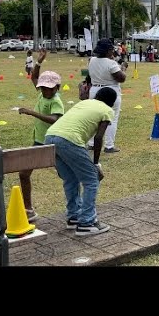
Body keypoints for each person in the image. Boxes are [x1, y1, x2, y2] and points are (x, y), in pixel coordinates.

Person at [45, 87, 117, 236]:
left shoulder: (83, 103)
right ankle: (87, 222)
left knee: (70, 179)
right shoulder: (107, 110)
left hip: (50, 136)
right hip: (69, 140)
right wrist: (95, 164)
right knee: (91, 179)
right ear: (112, 103)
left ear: (96, 95)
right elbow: (98, 138)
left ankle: (74, 217)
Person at [17, 49, 64, 222]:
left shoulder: (55, 101)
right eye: (42, 87)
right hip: (39, 142)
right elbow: (34, 78)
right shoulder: (43, 94)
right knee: (23, 174)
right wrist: (39, 62)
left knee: (67, 175)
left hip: (53, 143)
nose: (44, 90)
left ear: (56, 88)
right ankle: (28, 209)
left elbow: (55, 119)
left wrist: (32, 113)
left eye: (48, 88)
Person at [87, 39, 127, 153]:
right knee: (111, 119)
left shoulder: (92, 60)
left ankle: (91, 143)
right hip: (111, 91)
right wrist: (123, 68)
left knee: (94, 118)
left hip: (94, 90)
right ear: (108, 50)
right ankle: (109, 146)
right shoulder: (111, 64)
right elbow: (121, 78)